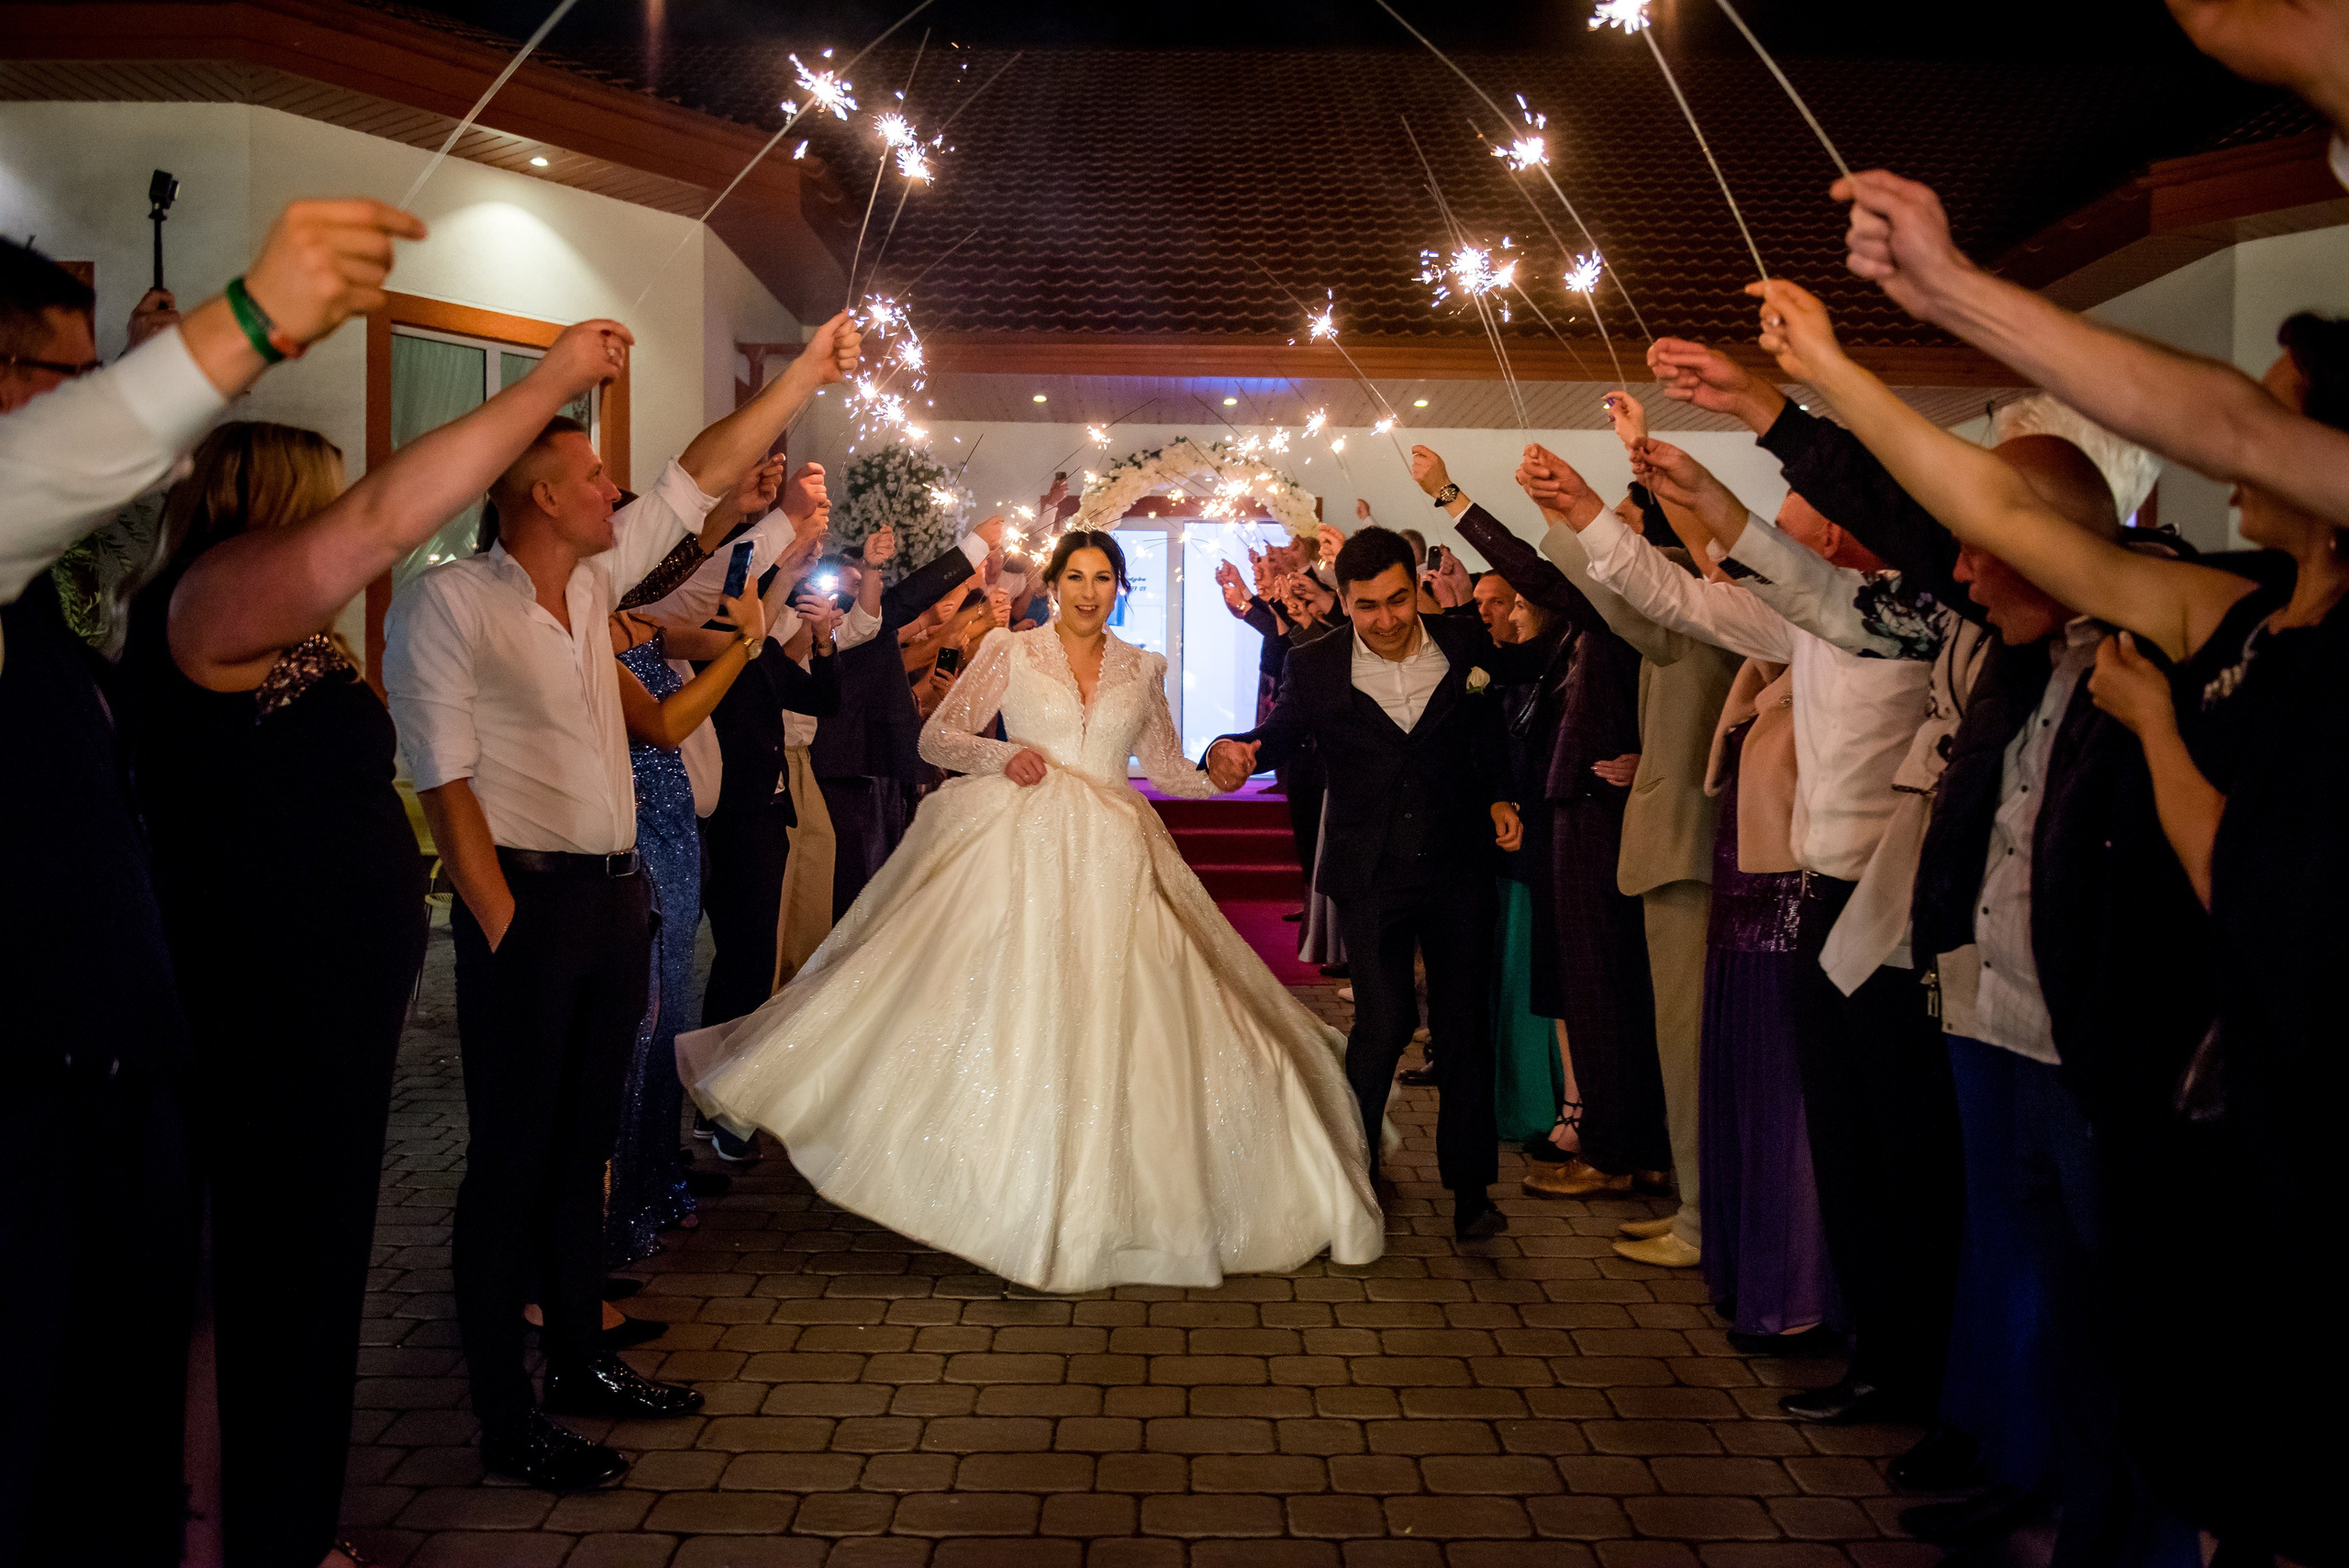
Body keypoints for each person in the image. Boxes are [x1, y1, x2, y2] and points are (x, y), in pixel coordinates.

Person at [1754, 273, 2349, 1562]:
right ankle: (2053, 1491)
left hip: (2169, 1042)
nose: (2236, 441)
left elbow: (2241, 878)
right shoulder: (2196, 618)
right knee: (2041, 1283)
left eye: (2273, 421)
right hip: (2012, 999)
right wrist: (1819, 384)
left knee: (2136, 1312)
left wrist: (1837, 375)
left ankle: (2125, 1521)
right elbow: (1949, 534)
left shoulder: (2209, 635)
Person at [0, 203, 421, 1568]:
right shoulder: (207, 617)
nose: (93, 416)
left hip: (141, 1047)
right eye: (65, 380)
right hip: (133, 1046)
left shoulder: (79, 616)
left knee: (159, 1336)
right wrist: (248, 320)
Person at [383, 312, 862, 1489]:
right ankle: (507, 1412)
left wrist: (801, 369)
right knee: (512, 1162)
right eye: (590, 475)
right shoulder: (451, 606)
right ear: (539, 499)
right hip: (529, 912)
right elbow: (442, 781)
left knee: (582, 1148)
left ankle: (584, 1358)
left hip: (611, 901)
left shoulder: (592, 585)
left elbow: (692, 479)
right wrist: (498, 921)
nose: (612, 487)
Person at [683, 530, 1385, 1291]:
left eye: (1104, 577)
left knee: (1133, 1006)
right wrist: (1000, 756)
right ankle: (981, 1173)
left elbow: (1172, 771)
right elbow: (938, 735)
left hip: (1115, 856)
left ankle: (1118, 1189)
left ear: (1121, 586)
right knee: (982, 995)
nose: (1089, 590)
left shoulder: (1142, 668)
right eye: (1076, 576)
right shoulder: (1010, 652)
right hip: (1019, 842)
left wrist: (1220, 772)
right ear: (1053, 582)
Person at [1527, 441, 1961, 1429]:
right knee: (1847, 1148)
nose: (1777, 517)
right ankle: (1882, 1362)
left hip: (1884, 905)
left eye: (1797, 503)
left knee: (1894, 1153)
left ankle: (1914, 1369)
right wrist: (1593, 510)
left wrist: (1742, 452)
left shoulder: (1899, 612)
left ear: (1840, 526)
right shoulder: (1806, 611)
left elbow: (1755, 564)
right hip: (1813, 897)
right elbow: (1683, 602)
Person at [1208, 526, 1525, 1240]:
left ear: (1415, 588)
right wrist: (1231, 751)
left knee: (1464, 1026)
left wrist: (1501, 796)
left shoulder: (1466, 646)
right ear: (1343, 602)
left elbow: (1487, 736)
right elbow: (1282, 732)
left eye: (1398, 600)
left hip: (1456, 864)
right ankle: (1354, 1172)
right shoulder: (1315, 663)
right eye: (1366, 606)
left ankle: (1472, 1191)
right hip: (1370, 868)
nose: (1385, 619)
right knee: (1384, 1023)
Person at [1408, 448, 1668, 1207]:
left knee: (1598, 985)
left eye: (1618, 524)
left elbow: (1538, 571)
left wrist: (1453, 497)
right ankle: (1628, 1143)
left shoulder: (1619, 607)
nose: (1602, 538)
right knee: (1587, 984)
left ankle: (1616, 1148)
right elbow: (1503, 656)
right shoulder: (1579, 631)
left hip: (1594, 812)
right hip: (1575, 809)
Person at [1522, 411, 1743, 1269]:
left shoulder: (1714, 612)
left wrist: (1582, 510)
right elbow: (1621, 596)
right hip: (1676, 842)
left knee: (1692, 1048)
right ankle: (1695, 1207)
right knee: (1679, 1044)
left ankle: (1702, 1217)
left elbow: (1632, 595)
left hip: (1693, 840)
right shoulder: (1694, 611)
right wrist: (1575, 510)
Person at [812, 517, 1007, 914]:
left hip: (874, 762)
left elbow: (941, 649)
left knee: (874, 880)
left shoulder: (866, 628)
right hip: (841, 765)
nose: (864, 595)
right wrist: (972, 555)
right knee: (848, 888)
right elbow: (914, 631)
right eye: (852, 586)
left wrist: (978, 625)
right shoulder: (839, 628)